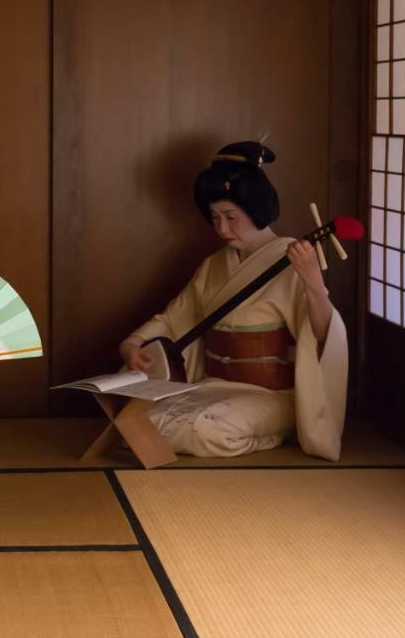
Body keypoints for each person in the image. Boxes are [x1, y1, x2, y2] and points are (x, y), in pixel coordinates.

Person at [118, 142, 348, 460]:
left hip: (269, 394)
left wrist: (313, 282)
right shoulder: (214, 265)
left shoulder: (294, 260)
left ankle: (271, 434)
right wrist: (134, 342)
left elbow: (323, 337)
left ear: (255, 210)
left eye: (230, 216)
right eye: (214, 218)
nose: (222, 228)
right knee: (135, 421)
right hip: (213, 387)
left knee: (207, 430)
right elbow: (175, 319)